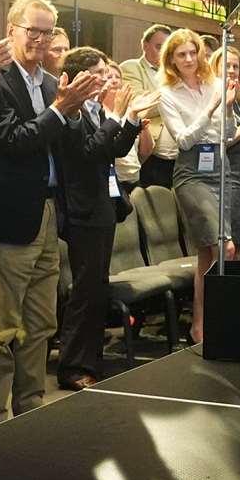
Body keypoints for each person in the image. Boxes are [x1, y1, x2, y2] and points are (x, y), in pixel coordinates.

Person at [0, 0, 102, 424]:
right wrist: (61, 110)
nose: (39, 38)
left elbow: (71, 148)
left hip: (49, 213)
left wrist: (84, 114)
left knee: (40, 324)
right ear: (11, 29)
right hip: (10, 217)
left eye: (47, 31)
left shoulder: (53, 84)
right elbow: (13, 141)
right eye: (31, 30)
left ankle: (31, 409)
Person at [157, 31, 240, 342]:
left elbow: (225, 136)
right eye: (180, 54)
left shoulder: (213, 85)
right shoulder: (168, 94)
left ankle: (206, 322)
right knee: (226, 247)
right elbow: (183, 139)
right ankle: (205, 322)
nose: (188, 59)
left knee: (210, 255)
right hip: (191, 172)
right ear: (170, 59)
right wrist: (209, 108)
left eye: (192, 53)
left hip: (220, 166)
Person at [55, 46, 159, 389]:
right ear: (81, 75)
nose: (105, 79)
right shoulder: (72, 110)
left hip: (102, 206)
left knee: (97, 287)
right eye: (99, 73)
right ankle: (72, 366)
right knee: (84, 291)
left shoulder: (97, 110)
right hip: (82, 210)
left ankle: (92, 360)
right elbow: (87, 153)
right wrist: (115, 116)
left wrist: (129, 120)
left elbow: (113, 149)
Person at [118, 24, 174, 188]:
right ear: (144, 45)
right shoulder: (131, 67)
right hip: (150, 154)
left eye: (168, 49)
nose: (164, 53)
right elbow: (141, 107)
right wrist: (174, 99)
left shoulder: (175, 73)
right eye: (159, 47)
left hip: (178, 155)